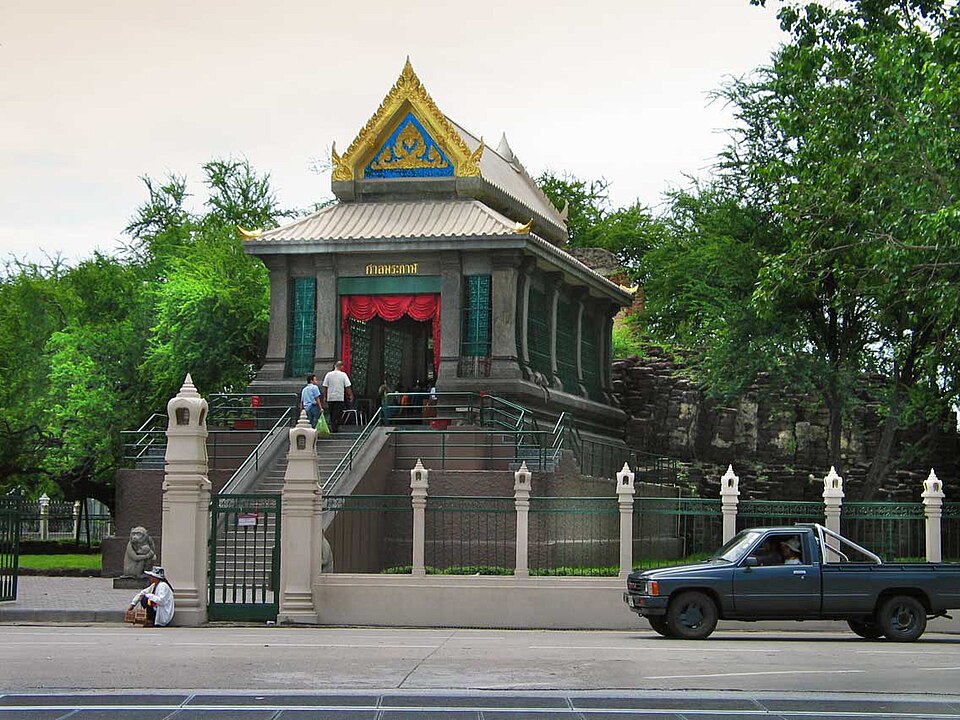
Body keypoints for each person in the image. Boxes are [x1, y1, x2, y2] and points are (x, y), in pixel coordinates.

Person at [322, 360, 353, 433]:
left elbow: (325, 386)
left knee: (332, 412)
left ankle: (333, 426)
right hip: (339, 397)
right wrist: (350, 395)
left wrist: (325, 396)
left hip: (330, 397)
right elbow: (348, 386)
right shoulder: (343, 375)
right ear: (341, 366)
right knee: (338, 413)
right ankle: (335, 426)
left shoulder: (328, 374)